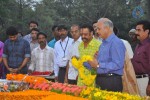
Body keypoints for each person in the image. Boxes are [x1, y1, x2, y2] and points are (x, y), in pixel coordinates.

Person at [85, 18, 125, 92]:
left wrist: (98, 65)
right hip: (101, 80)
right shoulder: (103, 44)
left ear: (107, 28)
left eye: (99, 29)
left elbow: (118, 64)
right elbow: (99, 64)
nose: (97, 32)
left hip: (111, 81)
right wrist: (88, 63)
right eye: (96, 29)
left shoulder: (116, 42)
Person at [131, 20, 150, 96]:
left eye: (139, 30)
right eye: (136, 30)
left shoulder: (148, 46)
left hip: (145, 81)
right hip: (137, 80)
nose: (136, 32)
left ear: (147, 31)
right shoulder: (139, 45)